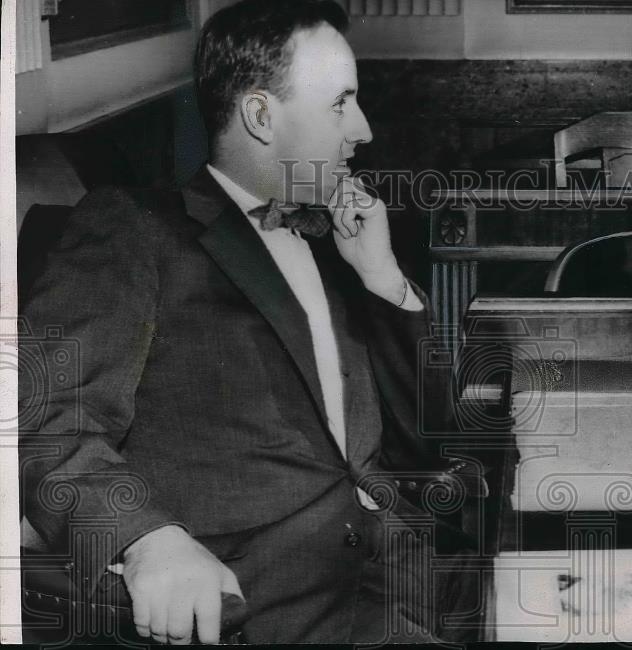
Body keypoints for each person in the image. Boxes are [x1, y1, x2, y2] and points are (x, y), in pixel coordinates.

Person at [19, 0, 464, 643]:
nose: (363, 129)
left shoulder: (333, 232)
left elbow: (434, 434)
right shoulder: (135, 228)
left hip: (398, 575)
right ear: (259, 115)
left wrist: (383, 282)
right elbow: (44, 409)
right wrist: (147, 540)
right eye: (341, 103)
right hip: (263, 608)